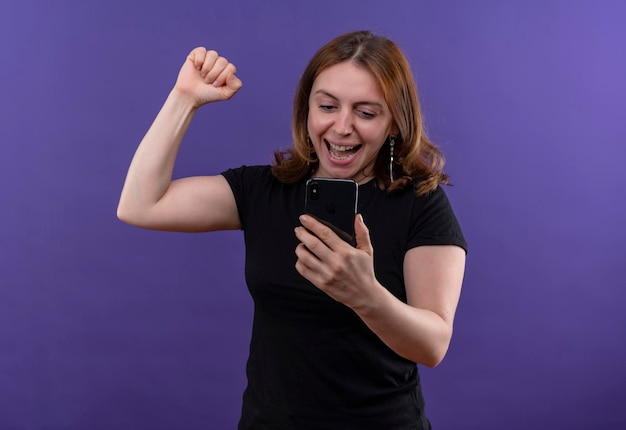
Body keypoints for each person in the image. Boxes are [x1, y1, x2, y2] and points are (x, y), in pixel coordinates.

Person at [118, 30, 467, 430]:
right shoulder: (263, 190)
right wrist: (185, 99)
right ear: (306, 110)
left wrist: (366, 296)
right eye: (327, 106)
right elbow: (140, 205)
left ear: (393, 124)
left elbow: (434, 344)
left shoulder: (421, 205)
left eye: (366, 113)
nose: (342, 126)